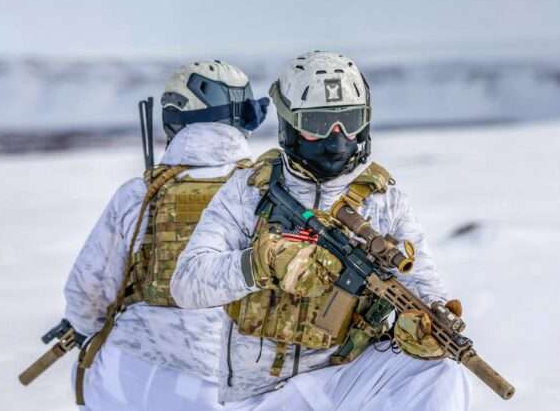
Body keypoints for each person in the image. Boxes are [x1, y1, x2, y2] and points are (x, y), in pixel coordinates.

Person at [171, 51, 471, 410]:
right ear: (289, 126)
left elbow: (420, 279)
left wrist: (430, 322)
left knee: (440, 373)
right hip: (261, 398)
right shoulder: (248, 189)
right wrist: (262, 263)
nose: (337, 138)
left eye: (349, 121)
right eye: (318, 124)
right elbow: (186, 284)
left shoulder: (382, 197)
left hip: (345, 380)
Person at [63, 60, 269, 410]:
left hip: (128, 376)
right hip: (228, 381)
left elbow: (88, 295)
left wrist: (85, 328)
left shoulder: (138, 194)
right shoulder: (265, 193)